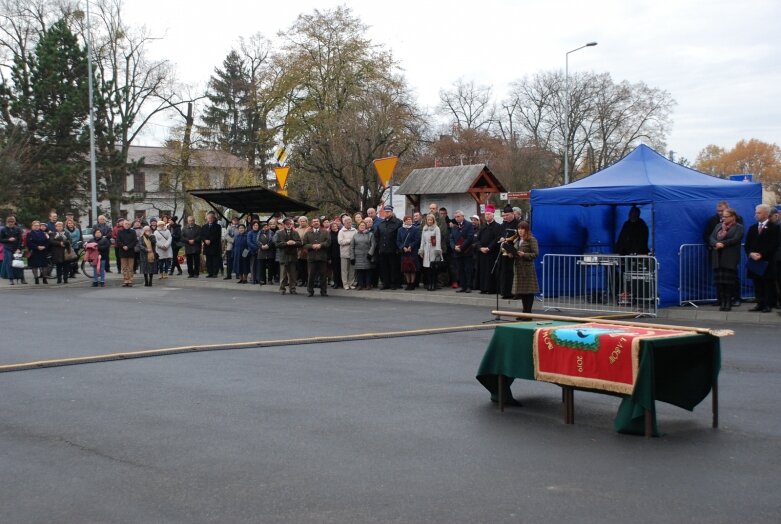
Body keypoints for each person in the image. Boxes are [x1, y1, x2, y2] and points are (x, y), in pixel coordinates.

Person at [744, 204, 779, 312]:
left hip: (767, 261)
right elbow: (747, 244)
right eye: (756, 212)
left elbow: (774, 244)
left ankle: (768, 304)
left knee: (767, 283)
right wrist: (751, 253)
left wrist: (761, 254)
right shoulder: (753, 228)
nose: (756, 215)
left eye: (758, 213)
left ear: (766, 214)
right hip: (754, 261)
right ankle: (759, 303)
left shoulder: (774, 228)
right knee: (757, 282)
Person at [708, 208, 744, 311]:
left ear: (733, 217)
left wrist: (722, 244)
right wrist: (716, 243)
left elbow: (736, 239)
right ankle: (722, 302)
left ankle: (728, 302)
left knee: (729, 282)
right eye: (722, 216)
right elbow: (711, 237)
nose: (723, 218)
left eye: (726, 216)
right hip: (717, 257)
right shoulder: (718, 226)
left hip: (730, 257)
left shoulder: (738, 227)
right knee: (720, 282)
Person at [510, 221, 540, 313]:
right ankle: (524, 312)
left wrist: (524, 254)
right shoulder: (517, 240)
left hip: (527, 269)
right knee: (522, 292)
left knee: (528, 292)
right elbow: (515, 252)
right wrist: (511, 254)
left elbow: (535, 254)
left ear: (526, 230)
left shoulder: (532, 239)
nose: (520, 231)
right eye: (519, 229)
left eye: (522, 229)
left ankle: (528, 313)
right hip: (518, 268)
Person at [475, 205, 501, 294]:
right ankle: (483, 288)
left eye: (489, 214)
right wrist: (480, 248)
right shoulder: (482, 226)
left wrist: (489, 248)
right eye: (486, 214)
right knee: (482, 271)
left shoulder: (497, 226)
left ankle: (491, 289)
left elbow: (496, 239)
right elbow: (477, 239)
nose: (487, 216)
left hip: (491, 253)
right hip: (482, 252)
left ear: (493, 215)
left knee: (490, 271)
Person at [375, 205, 402, 290]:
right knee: (384, 268)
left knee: (394, 267)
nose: (387, 213)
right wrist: (379, 246)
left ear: (392, 212)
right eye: (385, 211)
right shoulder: (381, 223)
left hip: (393, 249)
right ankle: (385, 283)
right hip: (383, 249)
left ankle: (394, 283)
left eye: (388, 212)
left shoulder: (398, 222)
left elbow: (400, 236)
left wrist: (398, 248)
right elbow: (377, 236)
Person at [302, 217, 330, 297]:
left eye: (317, 221)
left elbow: (328, 242)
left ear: (319, 222)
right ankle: (310, 291)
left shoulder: (325, 232)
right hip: (312, 257)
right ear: (311, 223)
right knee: (311, 275)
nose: (315, 222)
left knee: (323, 275)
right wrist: (312, 246)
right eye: (314, 221)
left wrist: (321, 245)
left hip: (322, 257)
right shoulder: (308, 233)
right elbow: (304, 244)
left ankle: (323, 291)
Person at [275, 217, 302, 295]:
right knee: (283, 274)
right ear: (284, 225)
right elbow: (277, 244)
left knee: (293, 274)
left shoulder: (295, 232)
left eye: (290, 224)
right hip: (284, 256)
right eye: (287, 224)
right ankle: (282, 289)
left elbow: (300, 243)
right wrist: (286, 243)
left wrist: (294, 243)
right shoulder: (279, 233)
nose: (289, 225)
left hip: (293, 255)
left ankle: (292, 289)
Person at [450, 210, 474, 293]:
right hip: (457, 252)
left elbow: (470, 238)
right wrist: (454, 247)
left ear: (463, 216)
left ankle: (468, 286)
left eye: (458, 216)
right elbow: (451, 238)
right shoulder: (454, 226)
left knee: (467, 269)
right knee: (460, 270)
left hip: (466, 251)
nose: (456, 218)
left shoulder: (468, 224)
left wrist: (462, 247)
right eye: (455, 217)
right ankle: (462, 286)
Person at [499, 204, 519, 299]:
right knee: (505, 272)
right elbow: (499, 235)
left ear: (512, 214)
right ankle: (506, 292)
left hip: (513, 251)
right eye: (504, 215)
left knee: (513, 273)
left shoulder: (517, 224)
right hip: (504, 251)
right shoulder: (503, 225)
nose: (505, 217)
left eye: (507, 215)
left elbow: (518, 237)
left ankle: (514, 292)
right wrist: (502, 238)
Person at [418, 214, 442, 291]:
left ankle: (433, 284)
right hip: (426, 249)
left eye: (431, 220)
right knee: (427, 268)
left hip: (433, 249)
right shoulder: (424, 228)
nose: (429, 221)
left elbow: (438, 240)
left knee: (433, 268)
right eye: (428, 220)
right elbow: (422, 240)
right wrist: (421, 249)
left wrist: (437, 250)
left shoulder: (436, 228)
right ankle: (429, 283)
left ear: (433, 220)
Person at [397, 214, 421, 290]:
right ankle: (408, 283)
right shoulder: (400, 229)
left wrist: (411, 246)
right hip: (404, 252)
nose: (409, 221)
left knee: (413, 269)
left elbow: (417, 240)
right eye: (407, 220)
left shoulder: (415, 229)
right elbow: (398, 241)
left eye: (410, 219)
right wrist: (402, 247)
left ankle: (412, 284)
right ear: (404, 221)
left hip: (412, 251)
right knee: (406, 269)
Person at [1, 216, 26, 284]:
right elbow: (1, 239)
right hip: (7, 248)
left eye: (12, 222)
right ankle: (11, 279)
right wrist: (8, 240)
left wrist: (18, 248)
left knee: (20, 264)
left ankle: (22, 278)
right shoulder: (3, 229)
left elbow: (20, 240)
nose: (11, 223)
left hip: (16, 249)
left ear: (14, 222)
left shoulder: (18, 229)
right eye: (9, 222)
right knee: (9, 263)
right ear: (7, 222)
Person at [351, 221, 375, 290]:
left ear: (366, 226)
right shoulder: (355, 235)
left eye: (363, 225)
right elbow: (352, 247)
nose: (362, 226)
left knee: (368, 271)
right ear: (358, 227)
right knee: (359, 271)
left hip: (367, 255)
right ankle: (360, 285)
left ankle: (368, 285)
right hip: (357, 256)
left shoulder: (370, 234)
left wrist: (370, 253)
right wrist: (352, 257)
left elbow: (373, 245)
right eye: (361, 225)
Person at [116, 218, 138, 287]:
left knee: (130, 267)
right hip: (123, 252)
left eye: (128, 224)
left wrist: (128, 246)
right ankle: (125, 280)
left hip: (131, 251)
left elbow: (135, 241)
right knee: (124, 267)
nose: (127, 225)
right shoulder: (120, 232)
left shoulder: (133, 232)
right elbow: (118, 241)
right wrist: (123, 246)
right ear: (123, 224)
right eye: (126, 224)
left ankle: (130, 280)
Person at [26, 220, 49, 284]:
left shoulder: (43, 233)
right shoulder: (30, 234)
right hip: (34, 252)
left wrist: (44, 246)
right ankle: (36, 279)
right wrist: (37, 247)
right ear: (32, 226)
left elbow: (47, 242)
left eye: (38, 225)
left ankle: (44, 278)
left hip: (43, 251)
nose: (36, 227)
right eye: (35, 225)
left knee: (44, 265)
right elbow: (29, 243)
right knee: (34, 266)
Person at [337, 216, 357, 289]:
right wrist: (350, 240)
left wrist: (349, 241)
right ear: (344, 223)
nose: (349, 223)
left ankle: (351, 283)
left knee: (352, 270)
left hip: (353, 253)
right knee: (344, 270)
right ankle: (345, 284)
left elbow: (356, 239)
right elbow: (340, 242)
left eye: (350, 222)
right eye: (347, 222)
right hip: (344, 253)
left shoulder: (354, 230)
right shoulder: (341, 231)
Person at [200, 211, 222, 278]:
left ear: (213, 218)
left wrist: (210, 240)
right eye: (209, 218)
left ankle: (215, 273)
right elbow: (202, 235)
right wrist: (205, 240)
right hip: (207, 246)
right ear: (207, 218)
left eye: (211, 218)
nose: (210, 219)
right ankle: (210, 273)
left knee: (215, 260)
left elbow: (217, 235)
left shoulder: (218, 226)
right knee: (208, 260)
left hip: (215, 246)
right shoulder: (204, 226)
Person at [295, 216, 310, 287]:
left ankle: (307, 281)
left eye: (304, 221)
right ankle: (303, 281)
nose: (302, 222)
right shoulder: (296, 229)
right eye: (301, 221)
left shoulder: (309, 229)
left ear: (306, 222)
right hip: (299, 251)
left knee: (307, 268)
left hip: (307, 251)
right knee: (301, 268)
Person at [327, 221, 342, 289]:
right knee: (335, 270)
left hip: (342, 253)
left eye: (335, 226)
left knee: (341, 269)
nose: (334, 227)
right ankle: (336, 282)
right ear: (331, 227)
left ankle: (341, 283)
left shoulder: (341, 232)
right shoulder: (329, 234)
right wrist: (329, 257)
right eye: (332, 226)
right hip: (333, 254)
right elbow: (328, 247)